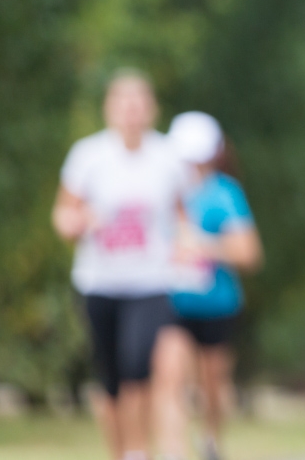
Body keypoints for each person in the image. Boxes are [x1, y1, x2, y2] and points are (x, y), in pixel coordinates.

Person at [52, 70, 190, 460]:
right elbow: (63, 215)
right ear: (109, 109)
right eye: (123, 103)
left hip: (151, 281)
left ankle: (138, 450)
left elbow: (182, 216)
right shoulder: (87, 156)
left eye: (139, 103)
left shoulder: (168, 157)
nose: (131, 111)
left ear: (152, 109)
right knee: (110, 380)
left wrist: (184, 242)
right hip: (100, 281)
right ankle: (120, 451)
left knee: (138, 365)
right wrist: (77, 222)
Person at [154, 112, 263, 460]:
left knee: (212, 385)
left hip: (217, 303)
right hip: (170, 302)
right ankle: (173, 451)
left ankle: (211, 440)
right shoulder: (160, 189)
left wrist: (203, 245)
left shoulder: (224, 194)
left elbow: (249, 253)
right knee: (170, 376)